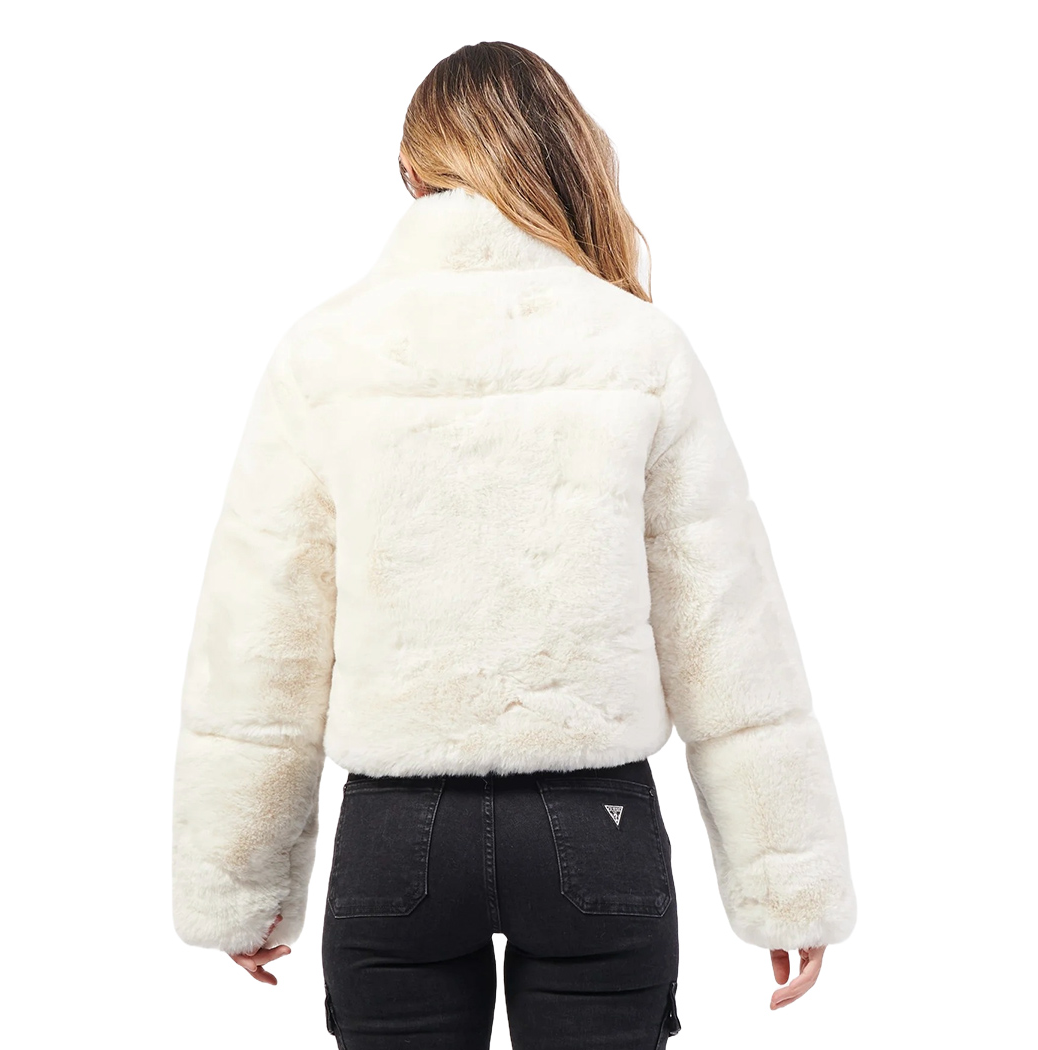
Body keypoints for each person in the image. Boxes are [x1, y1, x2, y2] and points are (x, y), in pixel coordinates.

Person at [171, 40, 857, 1049]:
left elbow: (259, 636)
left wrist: (240, 881)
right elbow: (726, 628)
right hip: (596, 828)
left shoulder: (325, 354)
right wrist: (788, 881)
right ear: (561, 156)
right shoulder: (639, 347)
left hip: (395, 836)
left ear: (410, 171)